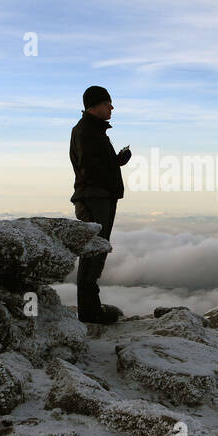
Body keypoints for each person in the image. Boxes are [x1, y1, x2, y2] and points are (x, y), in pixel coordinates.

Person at [69, 86, 131, 324]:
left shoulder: (92, 130)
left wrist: (117, 161)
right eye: (108, 103)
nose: (112, 108)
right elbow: (90, 169)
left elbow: (95, 165)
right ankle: (90, 312)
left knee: (97, 250)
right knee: (94, 252)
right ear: (94, 106)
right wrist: (113, 166)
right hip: (94, 198)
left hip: (98, 196)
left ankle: (91, 308)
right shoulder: (86, 131)